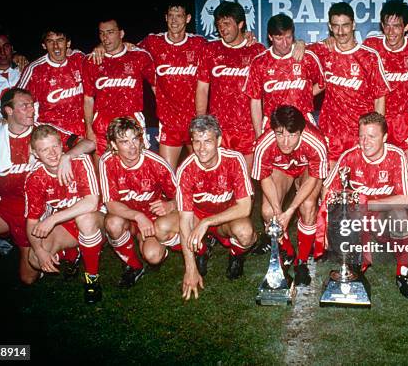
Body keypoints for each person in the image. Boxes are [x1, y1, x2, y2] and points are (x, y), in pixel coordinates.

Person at [0, 88, 94, 284]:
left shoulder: (43, 133)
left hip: (36, 210)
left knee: (28, 278)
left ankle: (64, 249)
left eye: (32, 105)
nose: (32, 110)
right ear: (8, 110)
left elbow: (88, 144)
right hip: (5, 205)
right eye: (25, 106)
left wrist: (67, 156)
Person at [320, 112, 408, 298]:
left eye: (372, 136)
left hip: (382, 217)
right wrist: (328, 224)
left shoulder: (396, 156)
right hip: (358, 221)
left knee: (400, 216)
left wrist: (367, 204)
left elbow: (407, 198)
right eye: (362, 136)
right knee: (353, 266)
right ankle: (357, 256)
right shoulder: (349, 156)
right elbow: (327, 190)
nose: (365, 142)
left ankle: (402, 272)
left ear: (385, 137)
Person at [177, 115, 255, 300]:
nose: (202, 148)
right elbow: (185, 221)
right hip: (197, 218)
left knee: (246, 233)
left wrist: (208, 222)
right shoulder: (186, 169)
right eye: (197, 142)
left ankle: (236, 255)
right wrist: (190, 269)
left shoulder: (234, 159)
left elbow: (245, 208)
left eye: (207, 141)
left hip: (225, 219)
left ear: (219, 141)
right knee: (165, 228)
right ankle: (202, 251)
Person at [25, 125, 103, 303]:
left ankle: (92, 279)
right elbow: (31, 222)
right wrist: (39, 249)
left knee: (85, 219)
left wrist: (52, 219)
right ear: (36, 153)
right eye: (44, 150)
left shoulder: (80, 161)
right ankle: (74, 250)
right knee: (35, 258)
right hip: (67, 225)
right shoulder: (35, 178)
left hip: (98, 219)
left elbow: (91, 203)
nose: (52, 154)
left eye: (55, 147)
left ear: (62, 145)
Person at [99, 117, 180, 288]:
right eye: (124, 141)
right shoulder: (107, 162)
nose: (132, 146)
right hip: (127, 217)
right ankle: (133, 266)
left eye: (135, 139)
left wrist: (170, 205)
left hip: (152, 219)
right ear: (114, 145)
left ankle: (171, 243)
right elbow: (111, 204)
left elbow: (181, 195)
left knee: (153, 256)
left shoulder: (155, 162)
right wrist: (137, 215)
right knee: (112, 223)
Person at [252, 105, 328, 286]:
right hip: (281, 169)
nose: (286, 142)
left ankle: (302, 262)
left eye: (292, 135)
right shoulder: (264, 144)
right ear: (273, 131)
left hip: (306, 169)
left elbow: (314, 178)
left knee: (308, 206)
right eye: (280, 134)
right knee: (268, 210)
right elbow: (264, 179)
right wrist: (279, 213)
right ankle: (287, 251)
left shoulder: (315, 141)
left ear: (301, 131)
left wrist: (291, 211)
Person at [308, 2, 390, 166]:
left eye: (345, 26)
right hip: (331, 132)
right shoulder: (323, 51)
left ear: (353, 24)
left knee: (360, 184)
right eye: (336, 26)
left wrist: (376, 133)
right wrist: (301, 44)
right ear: (330, 27)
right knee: (332, 185)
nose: (340, 32)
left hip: (360, 133)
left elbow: (380, 97)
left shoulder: (369, 56)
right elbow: (289, 48)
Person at [363, 0, 408, 180]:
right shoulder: (371, 46)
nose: (391, 32)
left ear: (406, 27)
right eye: (387, 26)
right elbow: (344, 53)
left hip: (403, 119)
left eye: (397, 26)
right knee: (376, 176)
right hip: (377, 117)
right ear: (382, 25)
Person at [195, 1, 265, 170]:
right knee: (219, 184)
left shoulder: (256, 51)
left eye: (227, 23)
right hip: (219, 129)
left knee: (246, 186)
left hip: (248, 130)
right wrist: (200, 123)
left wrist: (260, 131)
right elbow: (202, 88)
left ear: (240, 24)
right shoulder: (210, 50)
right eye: (219, 25)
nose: (222, 29)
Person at [138, 2, 207, 170]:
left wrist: (247, 36)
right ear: (166, 17)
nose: (174, 21)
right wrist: (101, 47)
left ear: (188, 18)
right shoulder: (153, 42)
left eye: (179, 16)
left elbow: (224, 50)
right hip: (169, 123)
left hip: (194, 121)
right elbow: (126, 50)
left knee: (201, 173)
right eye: (171, 16)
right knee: (167, 177)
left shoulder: (199, 44)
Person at [82, 17, 155, 157]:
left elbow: (156, 87)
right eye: (102, 33)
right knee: (102, 171)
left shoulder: (139, 56)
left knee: (137, 169)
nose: (105, 37)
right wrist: (89, 130)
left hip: (132, 123)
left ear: (121, 34)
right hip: (102, 124)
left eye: (110, 32)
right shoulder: (91, 61)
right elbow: (88, 98)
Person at [243, 14, 324, 138]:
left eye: (289, 37)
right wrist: (259, 134)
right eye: (279, 38)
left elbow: (323, 83)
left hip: (303, 122)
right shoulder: (260, 62)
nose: (285, 43)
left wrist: (306, 93)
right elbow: (255, 101)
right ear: (270, 37)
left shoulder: (306, 57)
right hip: (272, 125)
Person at [17, 27, 86, 136]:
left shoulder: (79, 59)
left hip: (83, 129)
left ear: (68, 43)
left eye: (60, 40)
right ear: (44, 45)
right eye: (50, 41)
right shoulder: (35, 70)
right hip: (52, 134)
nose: (56, 46)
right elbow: (16, 100)